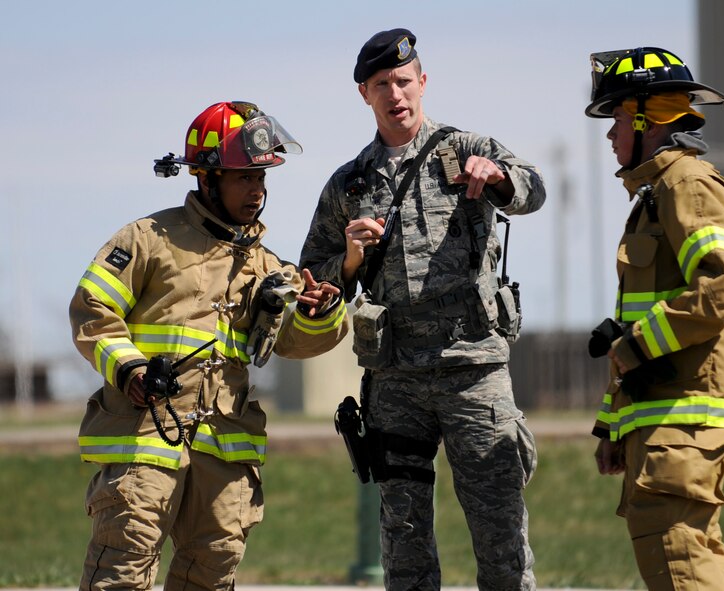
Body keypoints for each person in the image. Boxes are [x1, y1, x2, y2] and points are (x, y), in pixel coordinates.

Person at [301, 28, 545, 591]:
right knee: (404, 535)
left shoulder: (466, 149)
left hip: (473, 368)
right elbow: (312, 277)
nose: (396, 94)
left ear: (423, 82)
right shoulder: (350, 183)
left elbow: (535, 189)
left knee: (499, 529)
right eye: (382, 84)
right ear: (364, 93)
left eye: (405, 81)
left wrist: (499, 177)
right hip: (397, 378)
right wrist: (350, 259)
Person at [69, 101, 349, 590]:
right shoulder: (148, 240)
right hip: (145, 438)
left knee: (213, 575)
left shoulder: (268, 267)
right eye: (244, 178)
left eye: (262, 179)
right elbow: (93, 310)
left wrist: (319, 315)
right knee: (123, 570)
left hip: (223, 450)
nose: (257, 191)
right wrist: (131, 369)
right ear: (205, 177)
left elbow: (290, 344)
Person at [585, 47, 724, 590]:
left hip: (684, 416)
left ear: (645, 118)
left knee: (681, 555)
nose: (610, 136)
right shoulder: (657, 194)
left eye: (615, 120)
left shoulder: (688, 185)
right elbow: (631, 327)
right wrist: (613, 423)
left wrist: (634, 347)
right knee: (684, 550)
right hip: (663, 417)